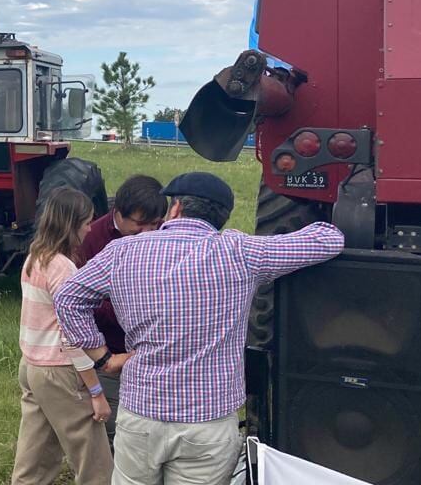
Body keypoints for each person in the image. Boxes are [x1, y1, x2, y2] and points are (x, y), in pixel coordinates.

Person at [53, 172, 344, 485]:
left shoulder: (123, 252)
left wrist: (102, 358)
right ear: (222, 217)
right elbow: (329, 239)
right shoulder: (240, 252)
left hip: (141, 413)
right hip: (209, 422)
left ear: (175, 208)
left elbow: (68, 297)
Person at [13, 187, 117, 485]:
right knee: (94, 462)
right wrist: (96, 393)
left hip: (32, 365)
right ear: (71, 224)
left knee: (34, 458)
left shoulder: (36, 256)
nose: (89, 228)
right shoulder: (64, 268)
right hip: (60, 371)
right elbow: (73, 336)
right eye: (86, 222)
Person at [75, 175, 168, 444]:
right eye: (138, 227)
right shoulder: (91, 240)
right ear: (118, 214)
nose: (147, 235)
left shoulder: (167, 237)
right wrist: (132, 310)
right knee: (113, 426)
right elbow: (81, 301)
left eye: (155, 225)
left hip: (152, 351)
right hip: (109, 352)